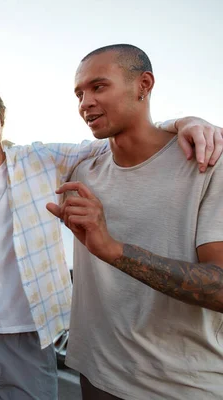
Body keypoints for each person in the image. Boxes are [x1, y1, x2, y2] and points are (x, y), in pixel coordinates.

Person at [0, 76, 222, 400]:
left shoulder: (41, 159)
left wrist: (183, 122)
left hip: (29, 330)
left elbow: (120, 140)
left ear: (1, 118)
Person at [46, 44, 223, 400]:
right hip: (95, 374)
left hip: (179, 386)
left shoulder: (207, 164)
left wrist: (113, 250)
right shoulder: (82, 170)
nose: (85, 103)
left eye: (98, 87)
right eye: (79, 93)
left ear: (144, 84)